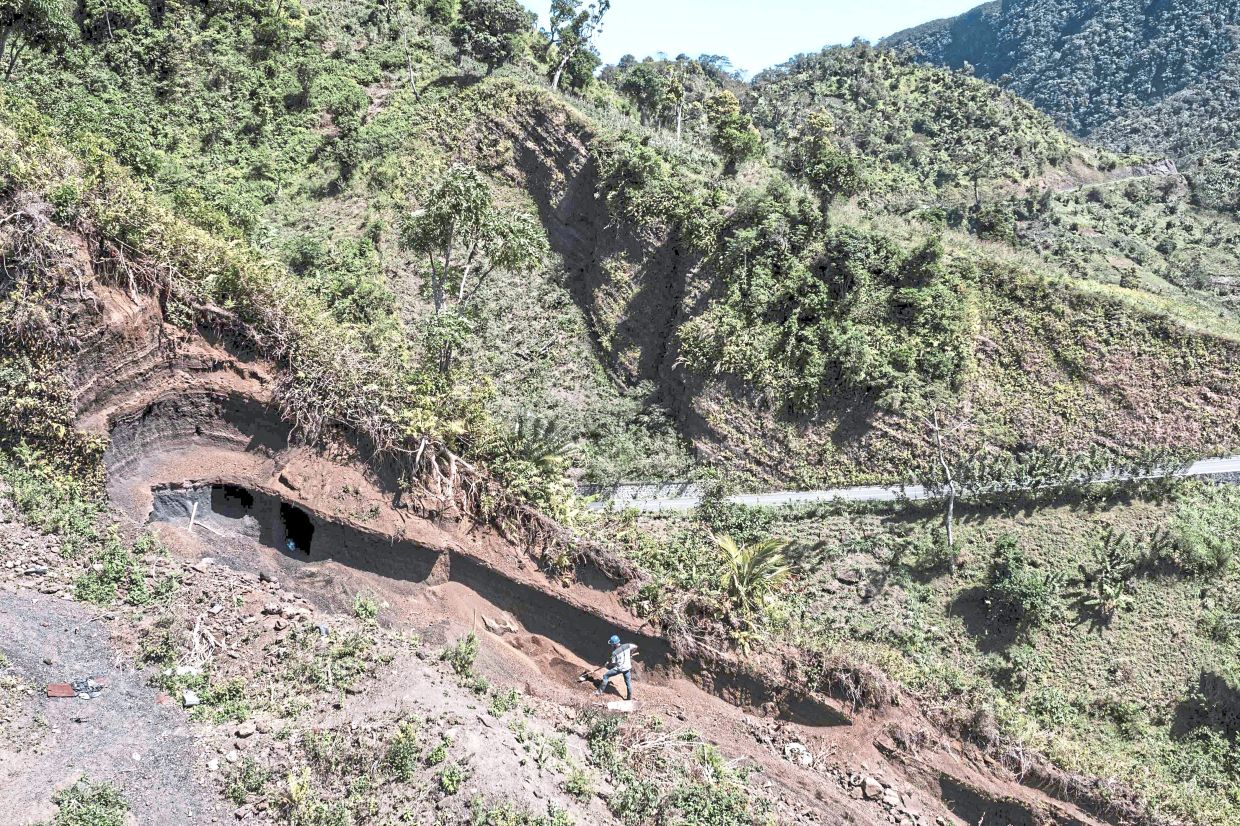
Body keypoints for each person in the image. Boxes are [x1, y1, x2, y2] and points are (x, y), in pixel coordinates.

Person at [593, 634, 638, 700]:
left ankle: (599, 692)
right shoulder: (627, 645)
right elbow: (635, 646)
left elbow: (613, 664)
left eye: (611, 644)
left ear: (614, 644)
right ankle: (629, 699)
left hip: (620, 669)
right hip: (628, 668)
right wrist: (630, 653)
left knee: (606, 676)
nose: (611, 645)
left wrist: (607, 664)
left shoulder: (614, 653)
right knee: (628, 683)